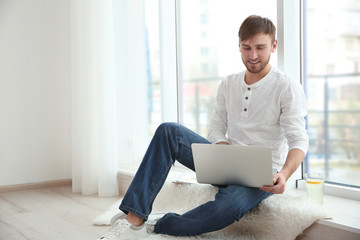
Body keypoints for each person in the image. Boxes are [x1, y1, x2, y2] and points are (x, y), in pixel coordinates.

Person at [118, 15, 308, 237]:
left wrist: (284, 174)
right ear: (239, 46)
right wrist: (222, 148)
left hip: (262, 174)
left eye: (260, 48)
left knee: (228, 207)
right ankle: (134, 215)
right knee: (169, 131)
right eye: (246, 48)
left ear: (274, 46)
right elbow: (217, 126)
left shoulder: (287, 87)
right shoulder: (229, 83)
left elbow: (299, 140)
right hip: (224, 160)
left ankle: (160, 226)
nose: (253, 56)